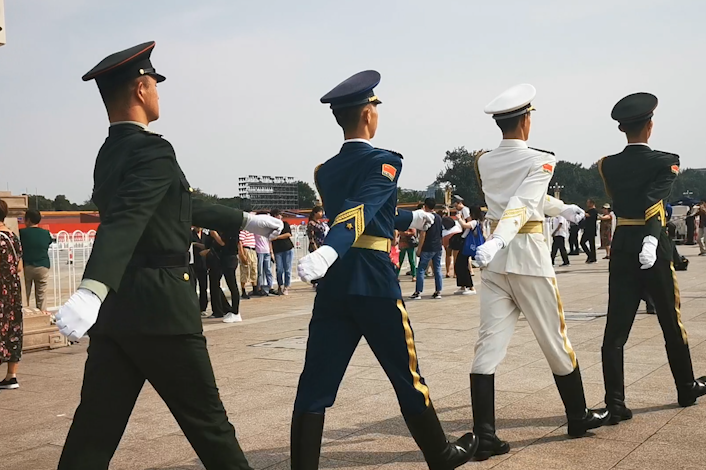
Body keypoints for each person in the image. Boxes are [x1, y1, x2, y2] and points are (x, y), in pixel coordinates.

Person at [54, 42, 283, 470]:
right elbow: (126, 219)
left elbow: (176, 206)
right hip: (162, 311)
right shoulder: (155, 149)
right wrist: (90, 288)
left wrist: (245, 219)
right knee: (211, 427)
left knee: (93, 432)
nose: (159, 94)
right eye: (155, 85)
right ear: (142, 89)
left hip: (120, 313)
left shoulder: (111, 152)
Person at [293, 70, 477, 469]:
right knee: (405, 374)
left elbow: (374, 211)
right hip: (372, 279)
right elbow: (359, 210)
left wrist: (412, 218)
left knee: (315, 383)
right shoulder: (385, 161)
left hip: (336, 284)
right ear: (368, 115)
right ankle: (441, 455)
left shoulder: (325, 171)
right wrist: (327, 251)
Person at [471, 84, 609, 460]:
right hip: (527, 257)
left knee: (488, 345)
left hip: (496, 265)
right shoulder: (542, 158)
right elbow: (522, 201)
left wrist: (560, 208)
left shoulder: (483, 161)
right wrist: (501, 239)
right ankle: (577, 416)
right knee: (554, 339)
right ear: (526, 120)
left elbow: (524, 198)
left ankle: (484, 435)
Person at [598, 92, 706, 424]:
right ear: (650, 125)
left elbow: (624, 200)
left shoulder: (607, 165)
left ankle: (615, 402)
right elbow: (652, 199)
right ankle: (685, 386)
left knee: (615, 331)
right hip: (653, 245)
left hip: (622, 245)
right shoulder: (665, 160)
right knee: (670, 322)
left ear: (622, 129)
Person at [0, 199, 23, 390]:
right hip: (13, 291)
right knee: (13, 329)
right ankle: (11, 376)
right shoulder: (12, 236)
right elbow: (19, 266)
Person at [19, 209, 54, 311]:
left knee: (25, 294)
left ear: (28, 220)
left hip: (27, 266)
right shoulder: (45, 233)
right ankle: (43, 314)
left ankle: (25, 314)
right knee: (41, 294)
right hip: (42, 266)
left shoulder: (22, 233)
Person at [411, 198, 444, 300]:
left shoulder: (426, 217)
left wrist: (419, 249)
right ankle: (438, 291)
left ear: (425, 206)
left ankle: (418, 292)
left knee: (421, 269)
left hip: (428, 247)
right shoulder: (438, 217)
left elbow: (423, 234)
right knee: (437, 269)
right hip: (438, 246)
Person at [454, 205, 484, 295]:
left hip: (467, 245)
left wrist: (459, 218)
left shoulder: (474, 222)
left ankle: (471, 287)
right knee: (460, 265)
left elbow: (465, 225)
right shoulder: (480, 222)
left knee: (461, 265)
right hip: (467, 245)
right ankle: (463, 286)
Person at [270, 209, 294, 295]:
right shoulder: (271, 227)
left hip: (287, 249)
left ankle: (286, 286)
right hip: (277, 250)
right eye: (277, 215)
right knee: (279, 269)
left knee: (287, 269)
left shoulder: (285, 224)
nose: (279, 216)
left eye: (280, 215)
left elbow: (289, 234)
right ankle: (280, 285)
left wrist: (277, 237)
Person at [306, 205, 326, 288]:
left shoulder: (320, 222)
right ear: (315, 213)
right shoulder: (311, 223)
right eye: (320, 212)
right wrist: (315, 247)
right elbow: (311, 236)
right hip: (316, 246)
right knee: (316, 264)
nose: (322, 214)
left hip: (322, 244)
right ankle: (315, 281)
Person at [191, 227, 209, 315]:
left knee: (203, 287)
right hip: (193, 264)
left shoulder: (205, 236)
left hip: (203, 264)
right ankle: (194, 307)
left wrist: (196, 244)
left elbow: (207, 246)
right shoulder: (190, 235)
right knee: (193, 286)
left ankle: (203, 308)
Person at [238, 227, 258, 299]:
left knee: (254, 269)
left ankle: (254, 288)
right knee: (245, 270)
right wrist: (242, 254)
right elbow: (240, 242)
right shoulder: (244, 230)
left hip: (252, 249)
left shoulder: (252, 230)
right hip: (246, 249)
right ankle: (243, 291)